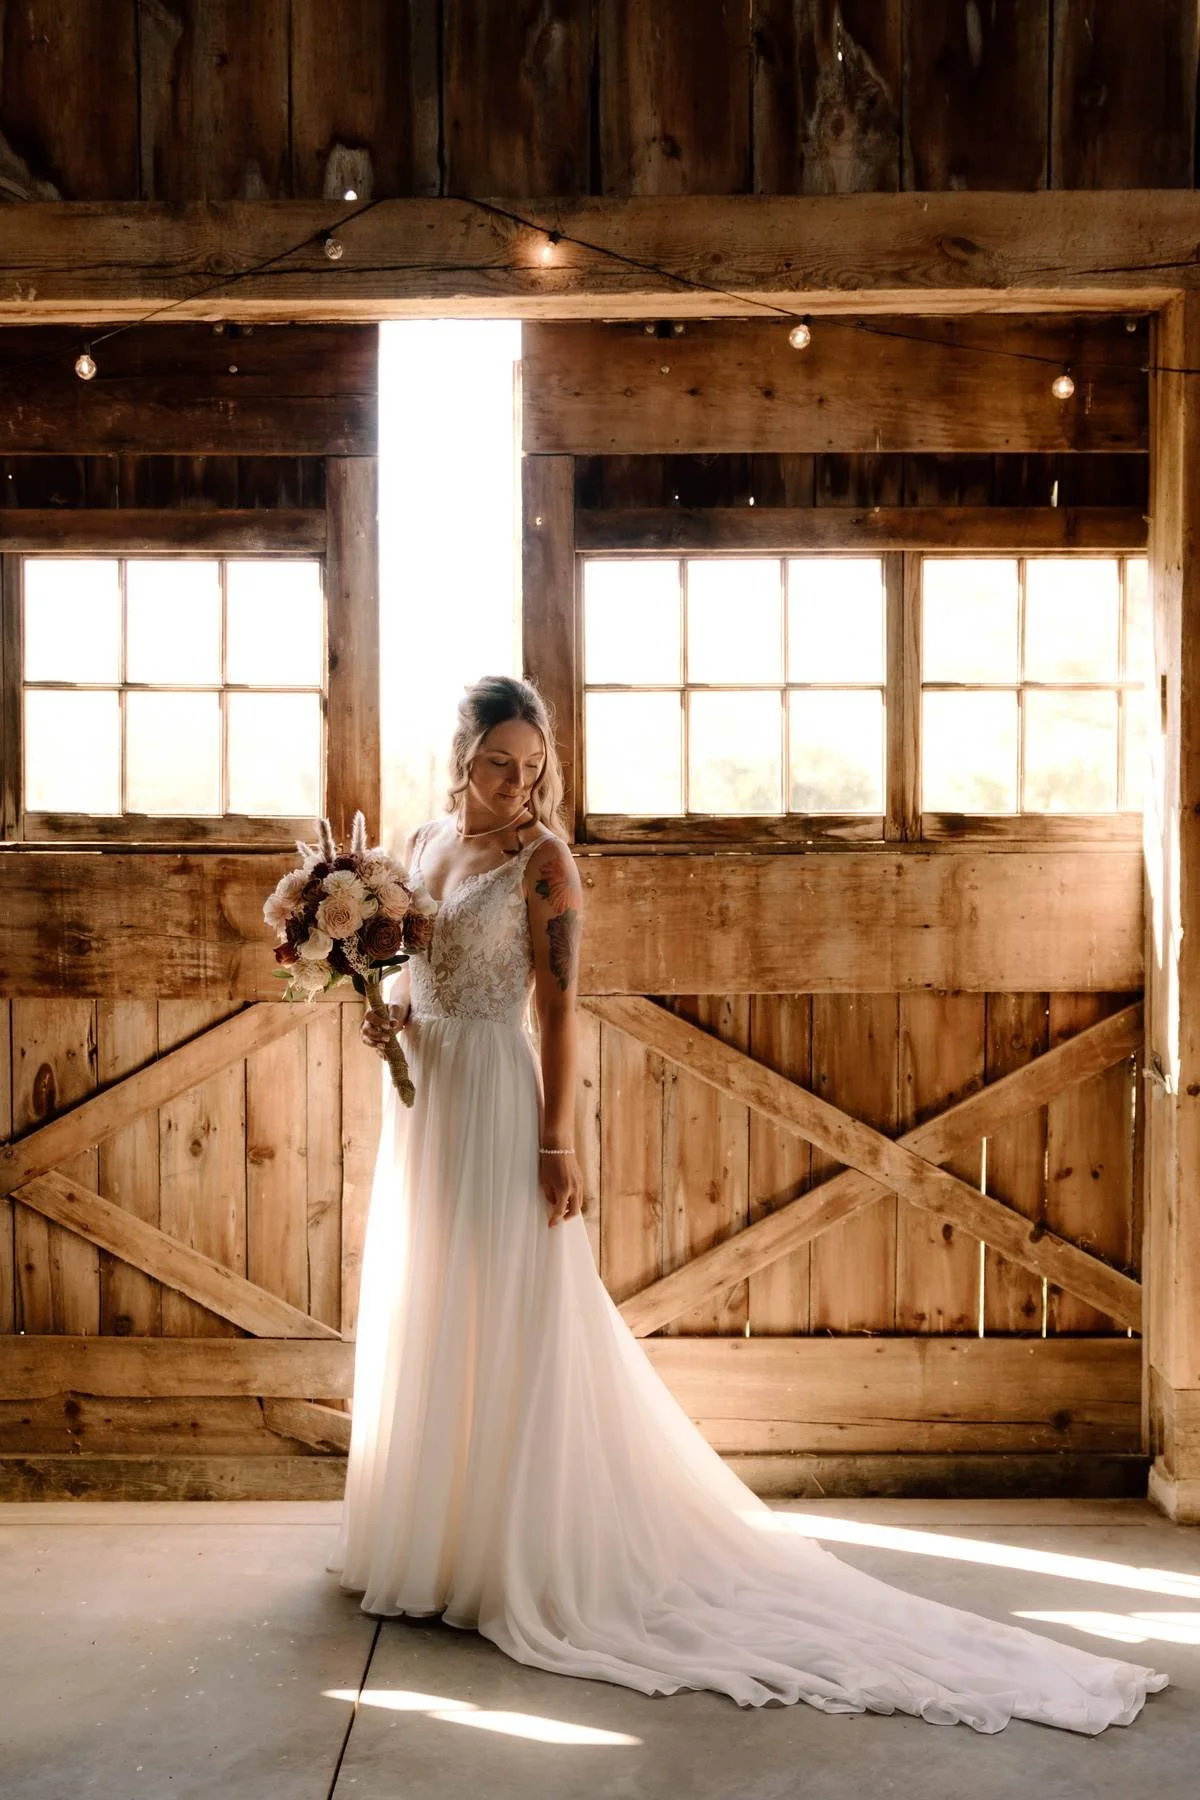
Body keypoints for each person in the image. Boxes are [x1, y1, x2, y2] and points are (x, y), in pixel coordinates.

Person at [326, 673, 1168, 1732]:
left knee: (508, 1309)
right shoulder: (419, 846)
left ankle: (512, 1549)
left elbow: (560, 1009)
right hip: (427, 1095)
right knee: (435, 1297)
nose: (518, 782)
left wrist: (554, 1139)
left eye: (533, 765)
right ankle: (436, 1539)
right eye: (500, 762)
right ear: (462, 758)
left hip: (496, 1094)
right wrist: (391, 1019)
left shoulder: (546, 864)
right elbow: (419, 975)